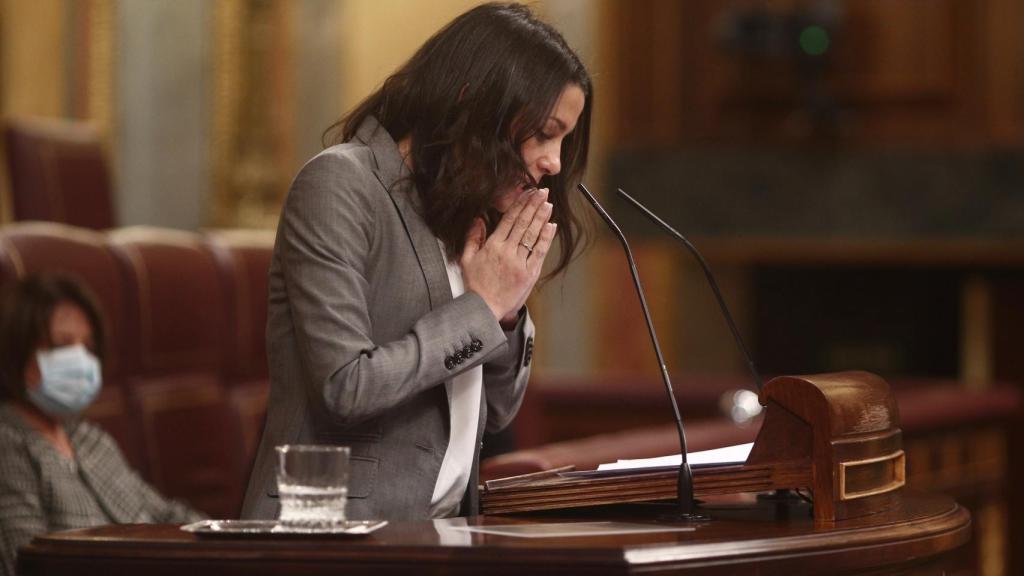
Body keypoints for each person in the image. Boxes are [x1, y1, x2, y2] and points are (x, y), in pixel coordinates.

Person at [242, 2, 592, 521]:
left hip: (446, 536)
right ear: (475, 104)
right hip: (330, 539)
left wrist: (507, 313)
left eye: (565, 139)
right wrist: (482, 306)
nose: (554, 163)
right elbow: (345, 387)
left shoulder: (471, 210)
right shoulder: (340, 184)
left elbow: (495, 414)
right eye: (545, 132)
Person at [0, 274, 204, 576]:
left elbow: (165, 513)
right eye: (62, 345)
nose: (80, 359)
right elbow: (26, 563)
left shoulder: (88, 437)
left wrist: (230, 539)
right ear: (18, 352)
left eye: (87, 346)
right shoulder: (8, 443)